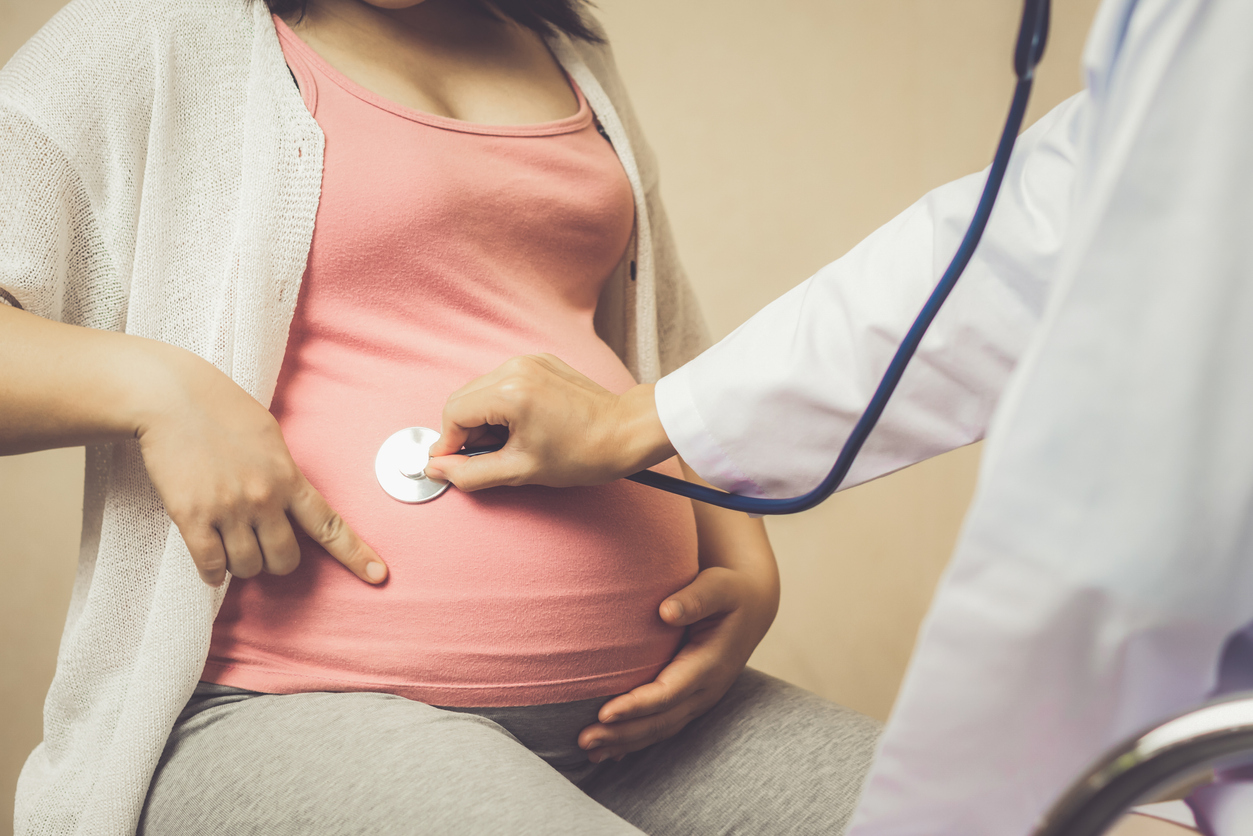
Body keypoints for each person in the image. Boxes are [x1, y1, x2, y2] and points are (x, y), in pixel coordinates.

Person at [0, 0, 882, 834]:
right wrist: (158, 389)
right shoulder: (152, 33)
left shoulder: (565, 50)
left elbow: (653, 352)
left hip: (651, 721)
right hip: (294, 708)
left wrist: (738, 548)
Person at [425, 0, 1253, 834]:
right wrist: (652, 419)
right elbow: (1032, 246)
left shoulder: (565, 57)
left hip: (670, 720)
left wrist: (707, 505)